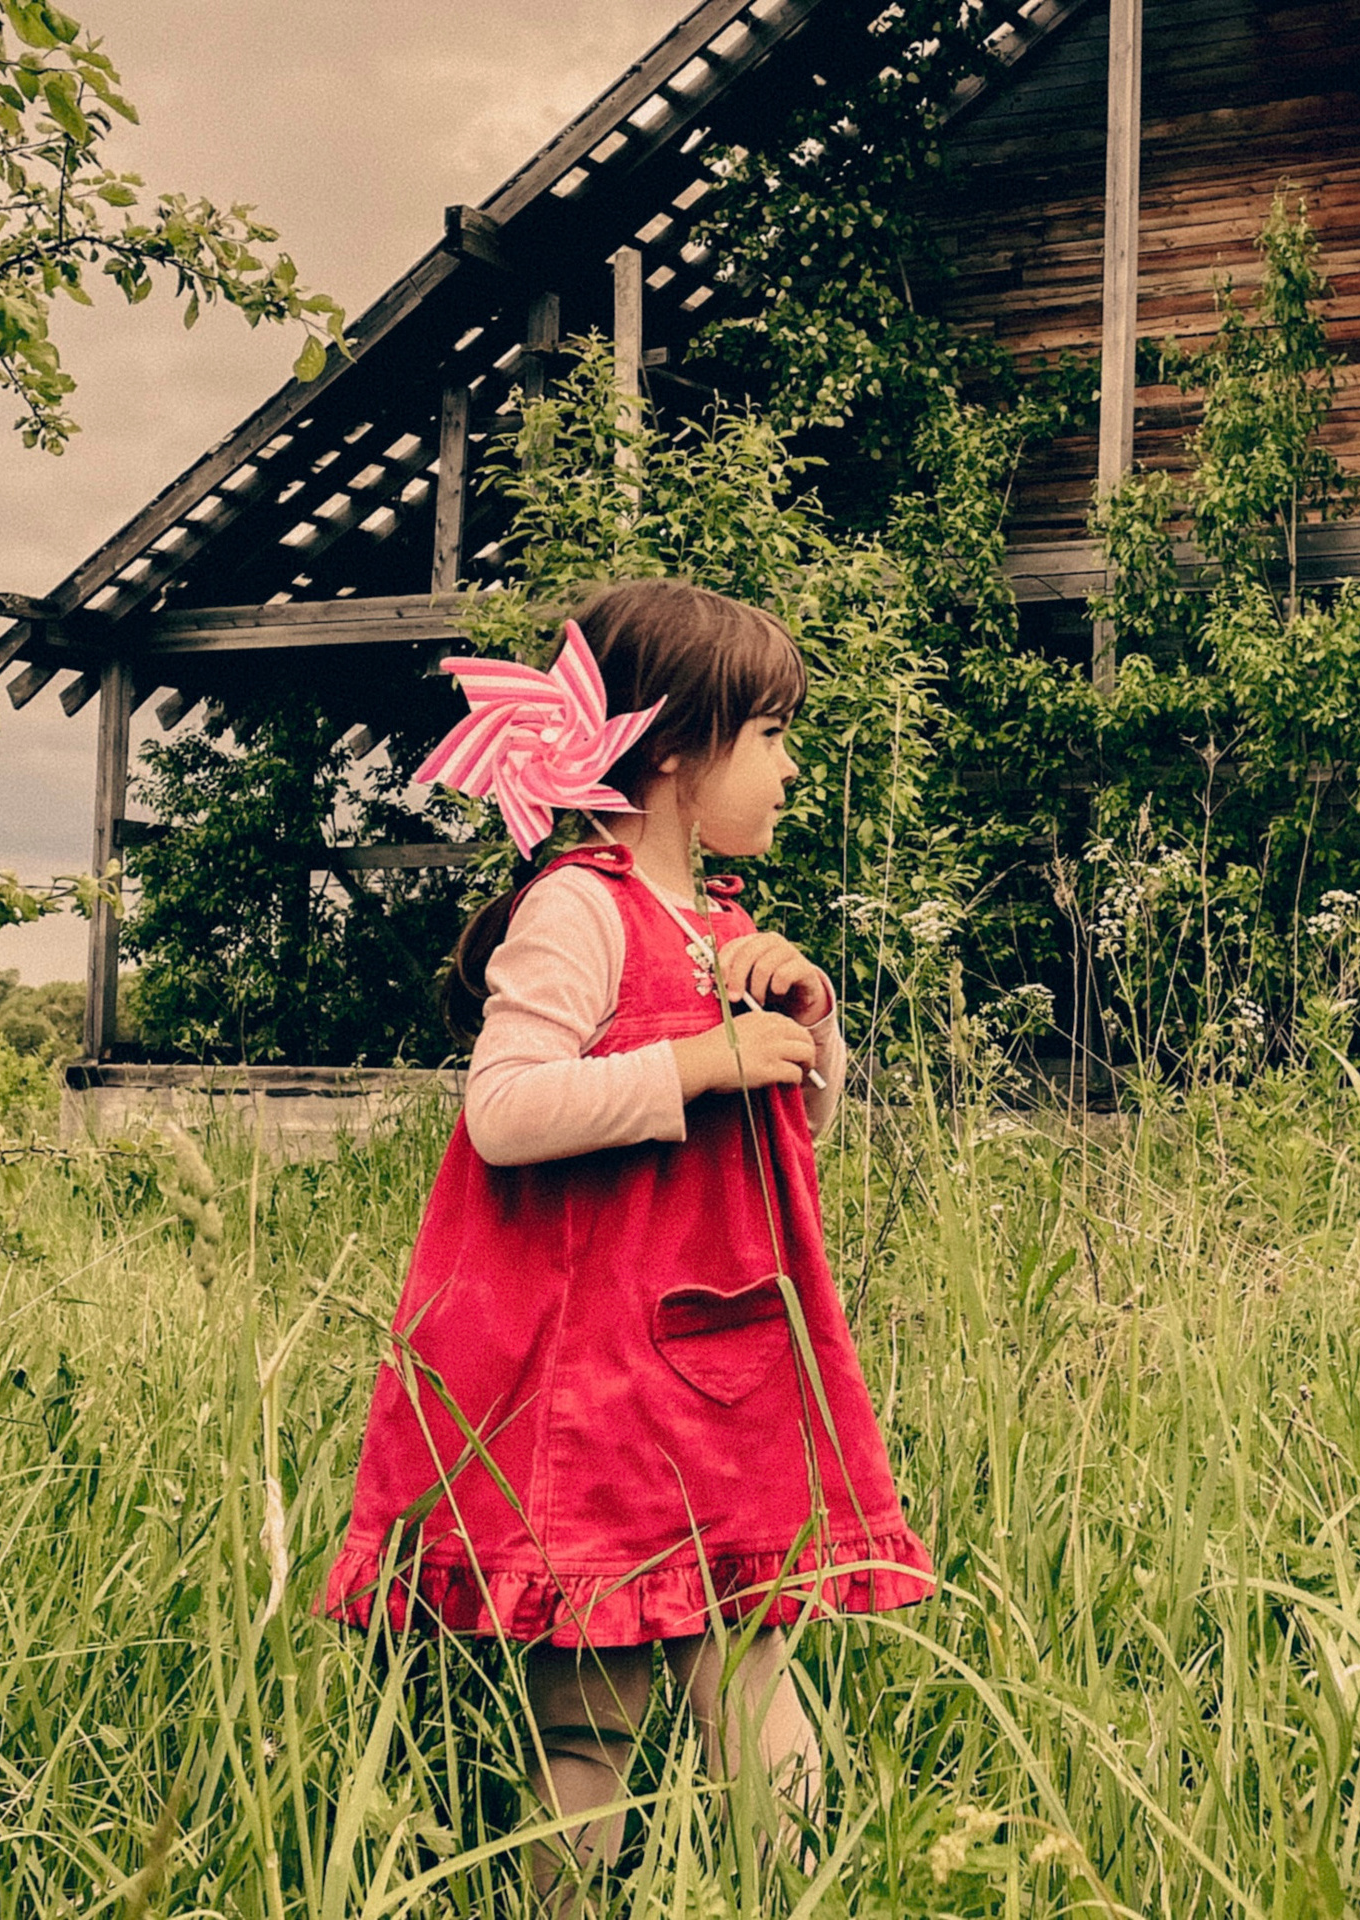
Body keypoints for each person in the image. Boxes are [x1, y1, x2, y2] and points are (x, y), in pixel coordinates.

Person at [317, 579, 933, 1907]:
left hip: (716, 1378)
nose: (790, 765)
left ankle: (804, 1893)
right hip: (597, 1394)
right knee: (589, 1717)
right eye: (769, 734)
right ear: (671, 753)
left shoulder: (716, 927)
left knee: (755, 1670)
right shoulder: (578, 911)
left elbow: (791, 1132)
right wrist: (698, 1060)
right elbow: (504, 1112)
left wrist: (803, 1026)